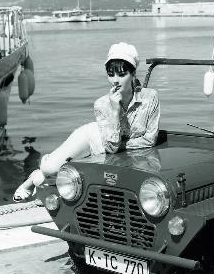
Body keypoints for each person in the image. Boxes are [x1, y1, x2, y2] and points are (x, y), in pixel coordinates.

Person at [13, 42, 160, 202]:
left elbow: (150, 139)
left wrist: (122, 144)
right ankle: (34, 177)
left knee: (77, 177)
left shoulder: (150, 97)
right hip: (94, 136)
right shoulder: (102, 104)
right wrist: (115, 110)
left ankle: (40, 179)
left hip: (111, 144)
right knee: (50, 168)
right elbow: (112, 147)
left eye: (121, 74)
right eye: (111, 75)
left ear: (133, 74)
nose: (115, 80)